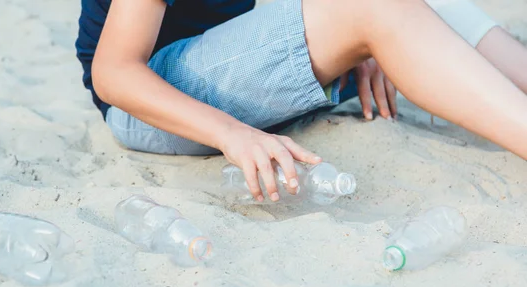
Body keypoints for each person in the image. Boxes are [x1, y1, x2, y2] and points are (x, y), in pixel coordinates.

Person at [76, 0, 527, 203]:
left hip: (219, 60)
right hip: (146, 103)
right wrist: (229, 132)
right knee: (377, 8)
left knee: (429, 6)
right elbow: (113, 73)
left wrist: (367, 42)